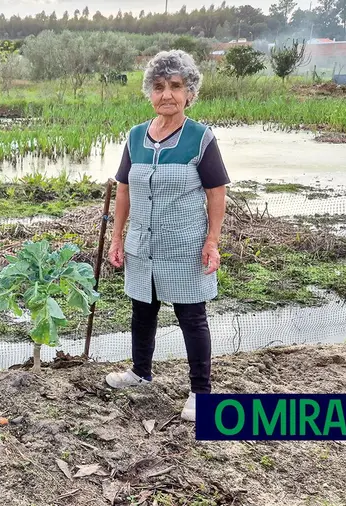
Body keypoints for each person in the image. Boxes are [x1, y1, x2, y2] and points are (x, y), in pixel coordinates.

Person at [104, 50, 230, 423]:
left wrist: (212, 242)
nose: (167, 95)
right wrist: (117, 238)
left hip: (184, 245)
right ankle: (141, 373)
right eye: (159, 87)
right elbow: (124, 188)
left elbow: (216, 192)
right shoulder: (136, 137)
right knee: (142, 310)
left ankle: (200, 393)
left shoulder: (200, 138)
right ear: (150, 92)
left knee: (192, 317)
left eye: (176, 87)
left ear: (189, 92)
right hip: (143, 245)